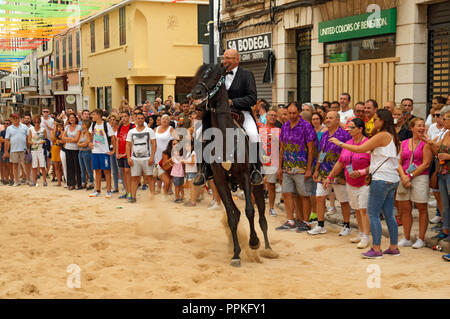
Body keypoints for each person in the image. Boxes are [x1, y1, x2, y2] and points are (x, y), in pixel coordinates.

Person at [330, 108, 401, 259]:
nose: (373, 121)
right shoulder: (393, 136)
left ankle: (376, 248)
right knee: (388, 214)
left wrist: (340, 143)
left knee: (372, 213)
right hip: (392, 178)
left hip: (381, 178)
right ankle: (393, 247)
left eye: (376, 119)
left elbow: (360, 149)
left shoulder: (382, 135)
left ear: (382, 121)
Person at [194, 48, 262, 186]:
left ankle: (255, 169)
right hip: (217, 113)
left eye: (229, 59)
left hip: (241, 112)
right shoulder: (216, 74)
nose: (225, 61)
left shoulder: (247, 75)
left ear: (237, 60)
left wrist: (232, 102)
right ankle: (203, 170)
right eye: (224, 58)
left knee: (253, 134)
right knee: (199, 134)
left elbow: (252, 98)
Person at [323, 118, 371, 248]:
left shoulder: (367, 144)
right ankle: (361, 233)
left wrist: (361, 172)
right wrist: (329, 177)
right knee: (356, 209)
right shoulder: (348, 143)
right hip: (350, 182)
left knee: (363, 210)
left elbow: (374, 165)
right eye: (348, 127)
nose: (349, 129)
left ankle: (366, 236)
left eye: (352, 127)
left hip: (364, 183)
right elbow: (340, 162)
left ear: (360, 129)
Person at [276, 102, 317, 231]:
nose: (292, 115)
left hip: (302, 167)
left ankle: (306, 222)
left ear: (299, 112)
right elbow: (282, 147)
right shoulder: (285, 126)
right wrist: (279, 166)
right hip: (287, 167)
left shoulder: (306, 126)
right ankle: (290, 220)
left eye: (294, 113)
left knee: (304, 195)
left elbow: (311, 149)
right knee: (287, 193)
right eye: (289, 113)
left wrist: (309, 169)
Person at [310, 111, 352, 236]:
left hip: (339, 173)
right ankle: (320, 224)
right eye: (327, 118)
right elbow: (321, 153)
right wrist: (317, 169)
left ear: (337, 119)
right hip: (323, 172)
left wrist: (349, 171)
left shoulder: (345, 135)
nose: (327, 120)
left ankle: (346, 225)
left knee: (343, 200)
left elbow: (349, 153)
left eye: (331, 118)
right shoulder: (324, 135)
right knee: (319, 197)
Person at [396, 118, 432, 249]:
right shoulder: (403, 143)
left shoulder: (426, 143)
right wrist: (403, 176)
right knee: (405, 209)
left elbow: (426, 163)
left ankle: (421, 238)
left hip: (420, 177)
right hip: (404, 177)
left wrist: (410, 175)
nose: (422, 128)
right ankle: (406, 237)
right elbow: (398, 162)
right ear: (412, 128)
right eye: (419, 126)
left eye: (423, 126)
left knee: (422, 208)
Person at [430, 105, 450, 247]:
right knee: (445, 203)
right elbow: (436, 147)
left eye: (446, 118)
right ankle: (445, 229)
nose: (443, 120)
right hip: (443, 170)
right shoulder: (445, 133)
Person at [126, 113, 156, 203]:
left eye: (142, 118)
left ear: (144, 120)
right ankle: (133, 197)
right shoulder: (131, 131)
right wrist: (128, 158)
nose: (140, 120)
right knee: (135, 178)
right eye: (138, 118)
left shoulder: (149, 130)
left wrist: (152, 157)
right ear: (135, 119)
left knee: (150, 177)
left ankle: (152, 197)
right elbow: (128, 145)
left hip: (147, 158)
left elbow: (154, 144)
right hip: (135, 158)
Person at [88, 109, 116, 198]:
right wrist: (90, 142)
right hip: (95, 151)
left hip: (104, 152)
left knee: (107, 171)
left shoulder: (106, 125)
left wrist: (113, 150)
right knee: (97, 171)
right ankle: (97, 190)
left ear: (99, 115)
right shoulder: (93, 125)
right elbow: (89, 134)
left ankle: (108, 191)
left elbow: (112, 137)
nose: (92, 116)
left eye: (94, 115)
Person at [258, 108, 281, 216]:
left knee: (271, 185)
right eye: (270, 115)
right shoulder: (260, 127)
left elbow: (282, 146)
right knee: (256, 184)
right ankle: (255, 205)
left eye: (274, 116)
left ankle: (271, 207)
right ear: (266, 117)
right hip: (259, 160)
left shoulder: (279, 130)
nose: (272, 117)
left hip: (273, 161)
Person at [3, 113, 29, 186]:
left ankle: (28, 180)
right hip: (13, 149)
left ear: (19, 118)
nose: (15, 119)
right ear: (12, 119)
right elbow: (7, 141)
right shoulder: (9, 128)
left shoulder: (24, 127)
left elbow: (28, 138)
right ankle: (16, 181)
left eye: (16, 118)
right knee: (15, 166)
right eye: (14, 118)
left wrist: (28, 148)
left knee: (26, 165)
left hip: (24, 149)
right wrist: (5, 152)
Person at [154, 114, 177, 196]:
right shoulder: (155, 129)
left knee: (168, 170)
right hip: (157, 152)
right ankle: (158, 188)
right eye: (163, 119)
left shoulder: (171, 129)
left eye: (167, 119)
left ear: (169, 121)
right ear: (160, 120)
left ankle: (170, 188)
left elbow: (176, 140)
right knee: (158, 170)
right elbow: (152, 141)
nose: (165, 120)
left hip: (167, 153)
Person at [116, 111, 135, 200]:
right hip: (120, 153)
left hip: (128, 154)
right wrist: (117, 152)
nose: (124, 118)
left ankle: (130, 192)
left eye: (125, 116)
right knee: (123, 172)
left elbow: (132, 142)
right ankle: (126, 191)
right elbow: (118, 140)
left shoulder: (132, 127)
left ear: (129, 117)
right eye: (122, 116)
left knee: (128, 172)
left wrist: (126, 154)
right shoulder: (120, 127)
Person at [62, 113, 82, 190]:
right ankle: (71, 184)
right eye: (70, 118)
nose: (72, 119)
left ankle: (79, 183)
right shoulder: (67, 127)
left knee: (77, 167)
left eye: (73, 117)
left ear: (75, 118)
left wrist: (68, 139)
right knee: (69, 167)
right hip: (68, 149)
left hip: (76, 149)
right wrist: (71, 139)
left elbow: (76, 139)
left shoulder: (78, 127)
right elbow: (63, 137)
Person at [28, 115, 48, 187]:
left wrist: (42, 141)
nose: (37, 123)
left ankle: (45, 181)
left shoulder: (43, 129)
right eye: (35, 122)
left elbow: (46, 139)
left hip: (41, 149)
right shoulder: (31, 129)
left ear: (40, 122)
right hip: (34, 150)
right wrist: (32, 143)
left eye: (38, 122)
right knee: (34, 166)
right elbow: (29, 140)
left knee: (42, 166)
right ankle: (34, 181)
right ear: (33, 122)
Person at [77, 119, 94, 190]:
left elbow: (86, 143)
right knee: (82, 168)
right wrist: (81, 144)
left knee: (88, 168)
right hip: (80, 151)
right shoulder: (82, 133)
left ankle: (91, 182)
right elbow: (78, 143)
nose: (82, 126)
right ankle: (83, 182)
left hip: (87, 151)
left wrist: (81, 144)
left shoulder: (89, 133)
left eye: (83, 124)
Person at [108, 113, 122, 193]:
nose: (112, 121)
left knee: (120, 169)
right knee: (114, 170)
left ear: (117, 121)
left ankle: (124, 187)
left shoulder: (119, 129)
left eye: (113, 120)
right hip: (111, 150)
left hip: (118, 151)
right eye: (110, 120)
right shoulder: (109, 129)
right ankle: (116, 187)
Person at [170, 139, 185, 203]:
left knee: (181, 185)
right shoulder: (172, 153)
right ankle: (177, 197)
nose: (175, 145)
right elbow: (173, 162)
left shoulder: (182, 152)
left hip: (181, 172)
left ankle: (182, 196)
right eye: (173, 144)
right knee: (177, 185)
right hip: (176, 172)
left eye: (176, 144)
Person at [51, 121, 64, 186]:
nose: (59, 128)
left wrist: (61, 132)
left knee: (63, 166)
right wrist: (55, 129)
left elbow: (61, 138)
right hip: (55, 149)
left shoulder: (63, 133)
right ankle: (59, 182)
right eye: (58, 126)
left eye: (60, 127)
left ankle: (65, 180)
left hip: (61, 149)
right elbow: (52, 138)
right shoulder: (53, 132)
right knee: (56, 167)